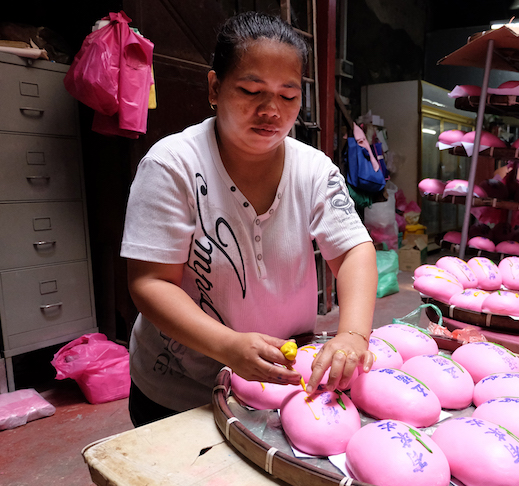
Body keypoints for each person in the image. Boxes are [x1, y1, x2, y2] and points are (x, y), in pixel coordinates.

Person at [120, 11, 377, 427]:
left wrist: (352, 334)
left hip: (279, 387)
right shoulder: (172, 166)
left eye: (288, 96)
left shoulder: (314, 169)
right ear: (215, 88)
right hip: (182, 392)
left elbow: (353, 252)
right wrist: (228, 346)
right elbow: (150, 283)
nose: (271, 110)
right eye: (251, 90)